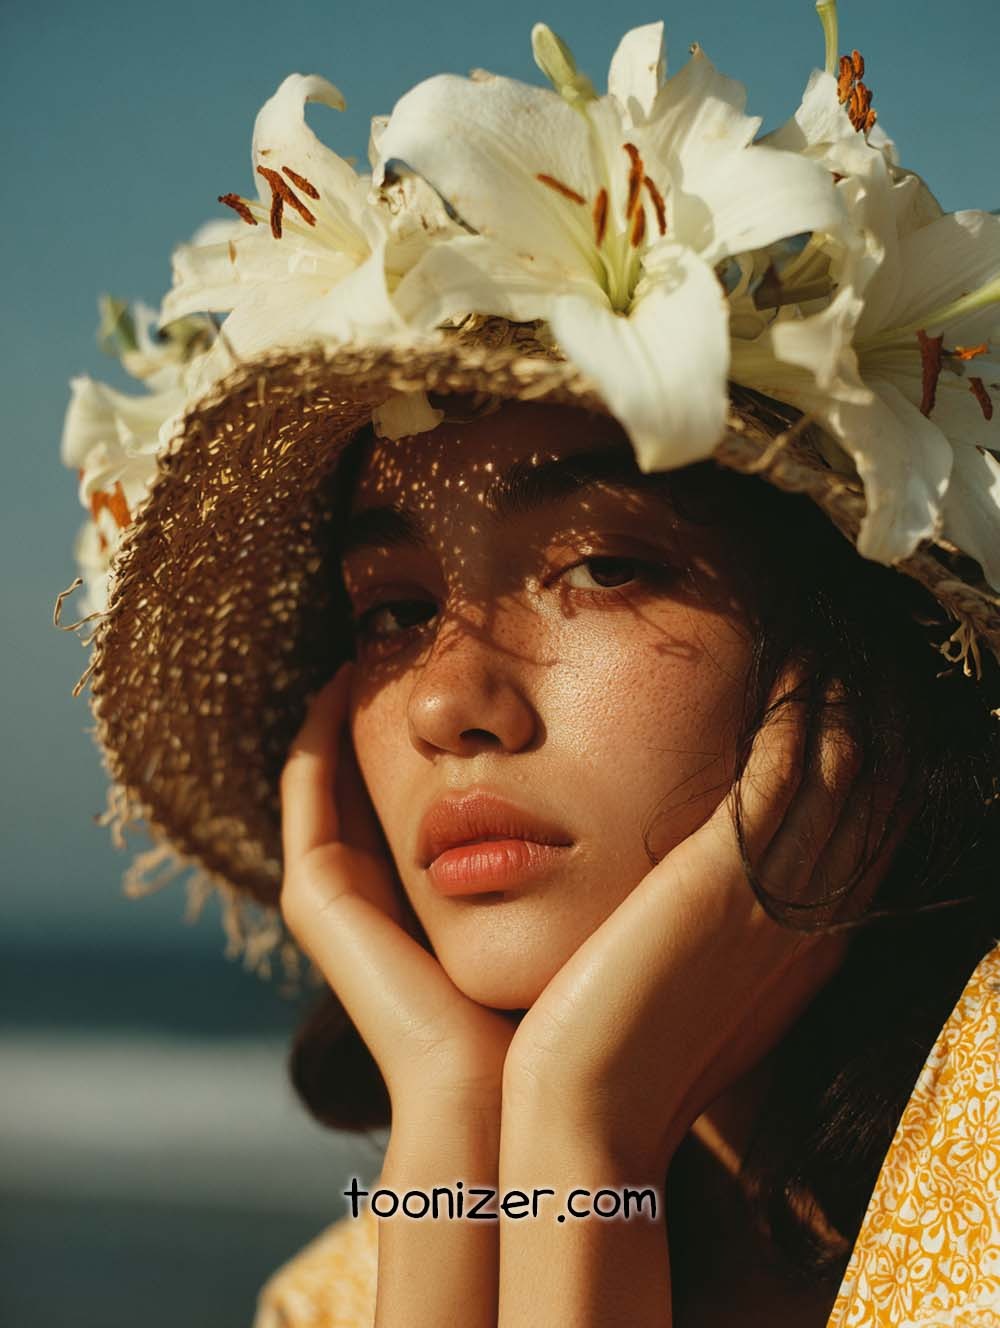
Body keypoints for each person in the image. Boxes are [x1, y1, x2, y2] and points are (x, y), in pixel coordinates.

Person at [56, 9, 1000, 1326]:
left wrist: (579, 1131)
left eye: (604, 567)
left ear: (851, 659)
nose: (450, 702)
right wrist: (515, 1120)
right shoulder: (334, 1303)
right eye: (387, 612)